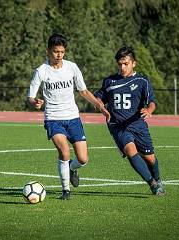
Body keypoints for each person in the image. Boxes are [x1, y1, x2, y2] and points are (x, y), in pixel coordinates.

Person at [27, 33, 110, 200]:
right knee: (64, 152)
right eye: (56, 51)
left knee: (83, 158)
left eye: (62, 52)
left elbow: (83, 91)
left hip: (73, 117)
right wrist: (35, 102)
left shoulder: (72, 67)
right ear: (48, 51)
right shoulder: (41, 71)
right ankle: (66, 190)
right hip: (53, 118)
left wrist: (99, 106)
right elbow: (30, 96)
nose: (59, 55)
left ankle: (72, 168)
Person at [94, 46, 166, 196]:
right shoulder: (109, 81)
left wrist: (149, 110)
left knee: (150, 158)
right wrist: (100, 105)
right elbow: (99, 97)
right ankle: (152, 184)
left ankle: (157, 179)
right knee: (130, 150)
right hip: (117, 126)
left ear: (134, 63)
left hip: (138, 124)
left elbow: (152, 102)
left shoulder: (142, 81)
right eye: (120, 64)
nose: (122, 67)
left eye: (125, 63)